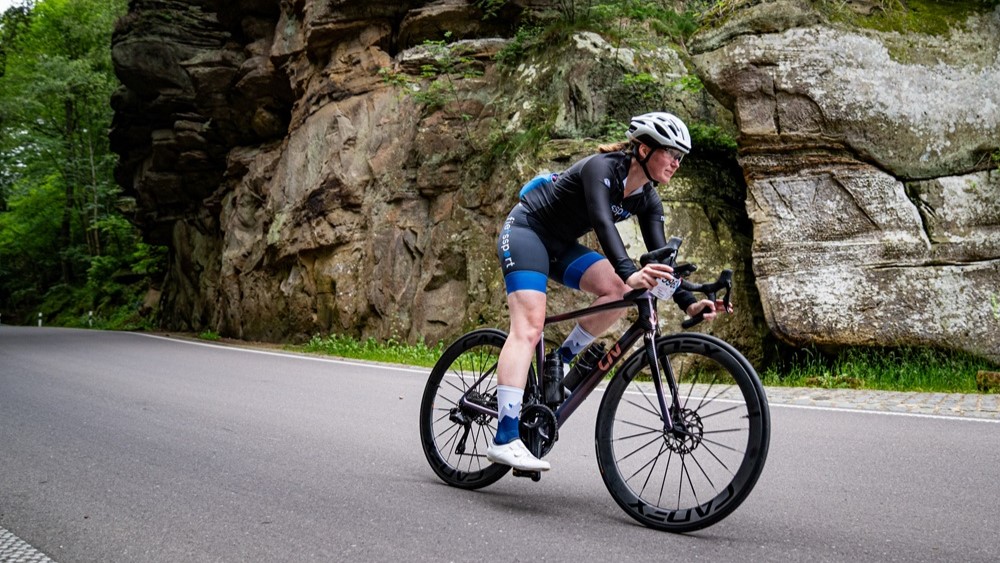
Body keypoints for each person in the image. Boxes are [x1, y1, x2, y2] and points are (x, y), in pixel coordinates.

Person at [487, 112, 728, 471]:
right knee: (530, 326)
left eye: (681, 157)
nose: (677, 163)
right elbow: (602, 223)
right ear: (644, 149)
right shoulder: (601, 168)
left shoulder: (648, 199)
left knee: (618, 291)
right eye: (671, 153)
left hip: (560, 245)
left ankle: (560, 360)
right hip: (526, 230)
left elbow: (662, 258)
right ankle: (505, 437)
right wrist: (631, 272)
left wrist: (690, 304)